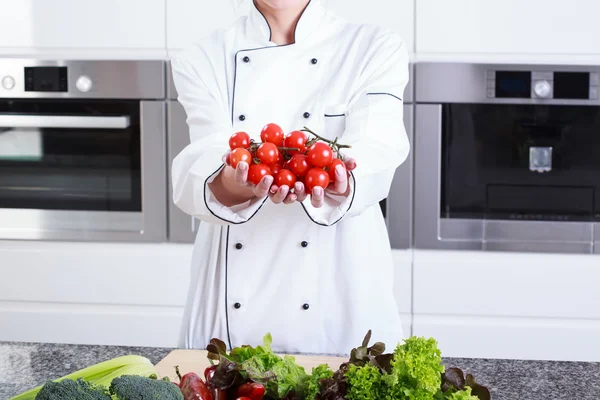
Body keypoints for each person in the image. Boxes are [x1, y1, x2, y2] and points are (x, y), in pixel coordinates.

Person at [170, 0, 410, 355]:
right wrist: (241, 182)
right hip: (229, 315)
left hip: (340, 290)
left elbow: (380, 146)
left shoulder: (373, 47)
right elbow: (205, 161)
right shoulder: (202, 57)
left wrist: (339, 179)